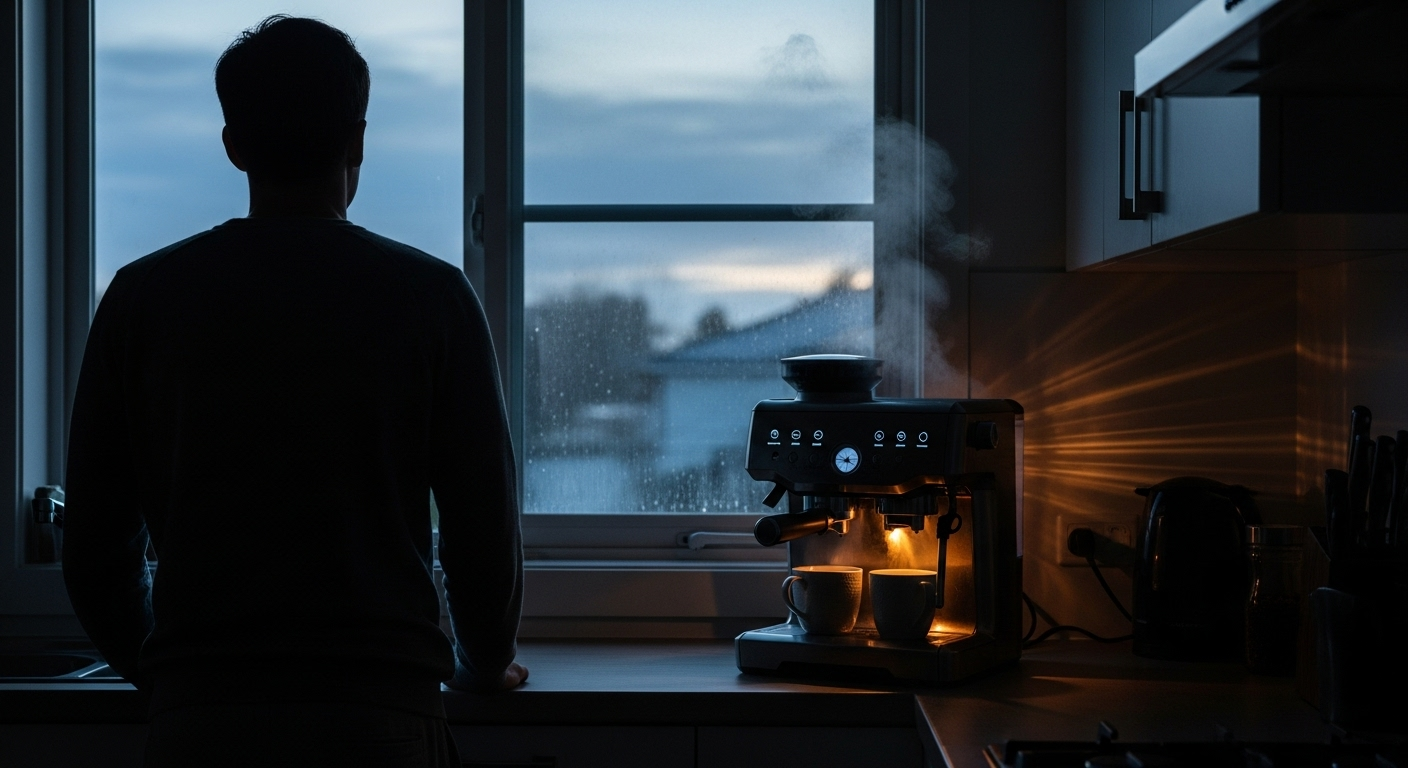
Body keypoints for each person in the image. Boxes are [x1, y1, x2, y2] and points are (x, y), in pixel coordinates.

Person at [61, 15, 525, 767]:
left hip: (201, 718)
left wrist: (170, 674)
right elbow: (483, 532)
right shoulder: (431, 297)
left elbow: (95, 550)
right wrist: (484, 662)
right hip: (380, 708)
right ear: (357, 140)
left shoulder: (144, 298)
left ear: (234, 145)